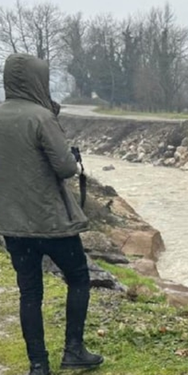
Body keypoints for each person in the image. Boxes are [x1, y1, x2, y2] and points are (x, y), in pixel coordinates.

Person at [0, 54, 103, 375]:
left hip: (12, 225)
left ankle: (38, 366)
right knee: (79, 278)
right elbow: (65, 168)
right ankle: (74, 350)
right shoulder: (41, 118)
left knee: (29, 292)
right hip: (51, 222)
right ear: (37, 81)